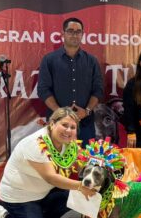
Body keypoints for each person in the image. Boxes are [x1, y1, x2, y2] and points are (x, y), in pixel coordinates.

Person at [0, 107, 96, 218]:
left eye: (73, 127)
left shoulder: (70, 144)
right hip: (20, 197)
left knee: (76, 194)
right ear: (52, 124)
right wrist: (80, 186)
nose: (68, 130)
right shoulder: (35, 144)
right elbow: (51, 177)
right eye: (64, 125)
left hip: (43, 193)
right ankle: (3, 215)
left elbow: (83, 164)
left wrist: (102, 165)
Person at [37, 17, 103, 146]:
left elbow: (98, 89)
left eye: (78, 31)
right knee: (56, 162)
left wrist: (87, 111)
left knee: (84, 162)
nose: (75, 34)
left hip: (85, 124)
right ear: (63, 34)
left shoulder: (92, 61)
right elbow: (43, 90)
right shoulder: (49, 60)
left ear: (82, 34)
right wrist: (61, 114)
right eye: (71, 31)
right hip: (58, 123)